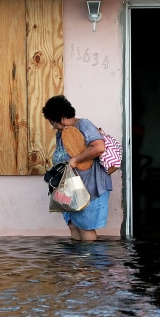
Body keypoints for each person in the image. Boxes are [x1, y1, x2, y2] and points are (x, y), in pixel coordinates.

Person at [43, 95, 113, 241]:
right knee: (73, 225)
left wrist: (75, 160)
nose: (53, 127)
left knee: (85, 227)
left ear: (62, 118)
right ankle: (77, 262)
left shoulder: (84, 125)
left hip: (89, 186)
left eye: (53, 123)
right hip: (70, 187)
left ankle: (90, 262)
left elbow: (98, 147)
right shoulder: (62, 132)